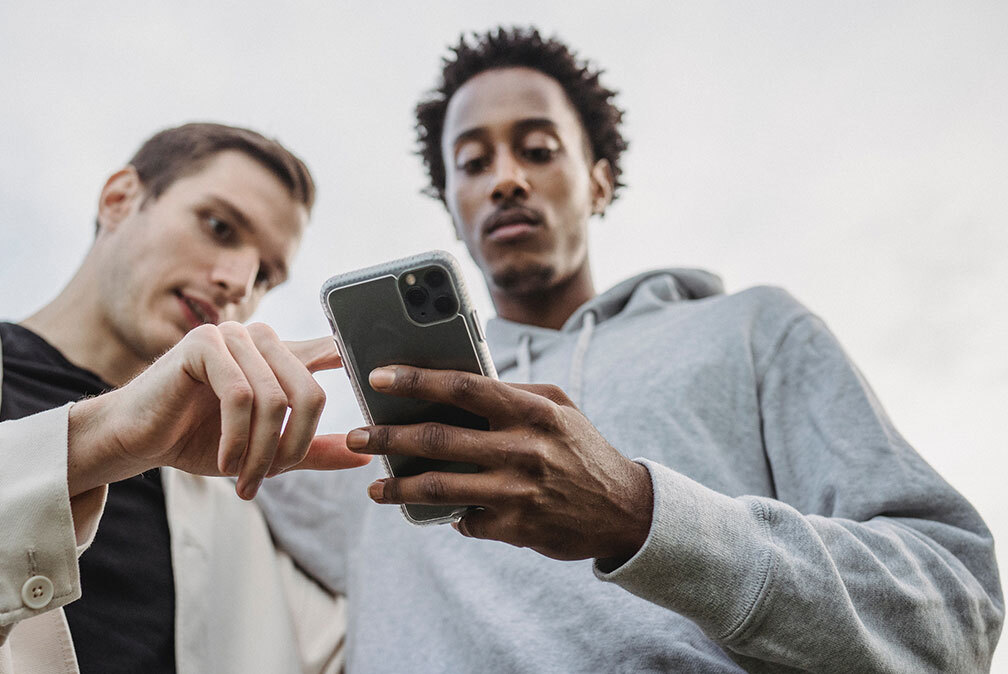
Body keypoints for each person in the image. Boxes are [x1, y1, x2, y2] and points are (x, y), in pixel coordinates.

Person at [257, 27, 1003, 671]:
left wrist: (642, 516)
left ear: (599, 182)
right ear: (453, 210)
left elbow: (955, 613)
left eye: (538, 149)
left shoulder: (751, 330)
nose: (507, 179)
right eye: (474, 164)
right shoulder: (368, 437)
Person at [0, 122, 367, 673]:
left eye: (266, 275)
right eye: (219, 227)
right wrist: (96, 442)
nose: (240, 284)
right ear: (120, 199)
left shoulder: (245, 523)